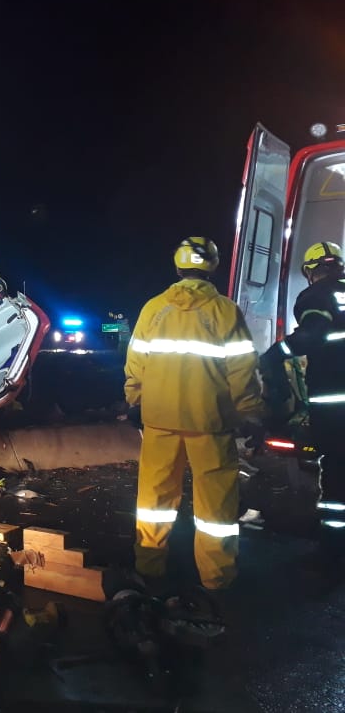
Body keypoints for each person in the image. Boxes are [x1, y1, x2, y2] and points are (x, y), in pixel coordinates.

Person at [124, 237, 265, 593]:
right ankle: (217, 579)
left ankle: (149, 568)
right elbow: (242, 369)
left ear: (177, 267)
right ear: (212, 267)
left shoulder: (153, 309)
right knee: (216, 507)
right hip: (211, 424)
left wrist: (134, 402)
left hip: (159, 422)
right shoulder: (225, 311)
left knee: (154, 500)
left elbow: (135, 363)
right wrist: (250, 413)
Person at [261, 241, 345, 558]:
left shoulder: (315, 295)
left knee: (337, 475)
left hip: (336, 403)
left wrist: (275, 354)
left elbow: (312, 335)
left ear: (310, 272)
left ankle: (333, 550)